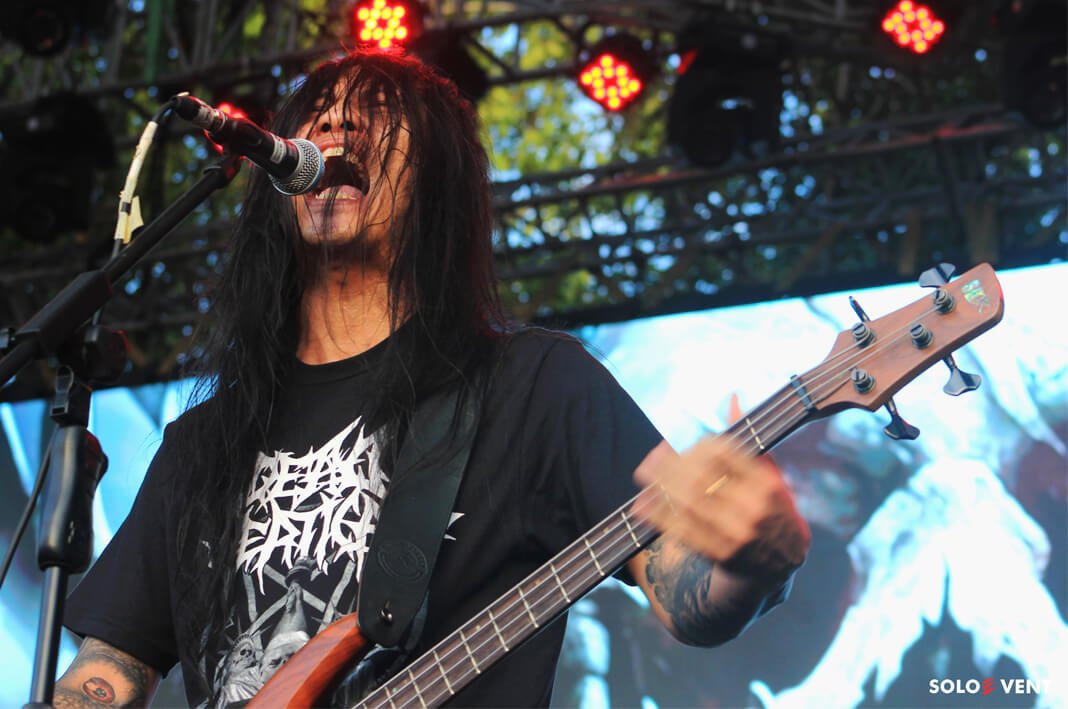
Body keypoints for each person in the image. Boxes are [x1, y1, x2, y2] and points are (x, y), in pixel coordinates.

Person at [55, 49, 809, 708]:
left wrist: (754, 555)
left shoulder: (534, 386)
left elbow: (687, 592)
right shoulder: (203, 442)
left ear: (435, 179)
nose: (337, 125)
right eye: (318, 113)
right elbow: (108, 671)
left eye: (377, 115)